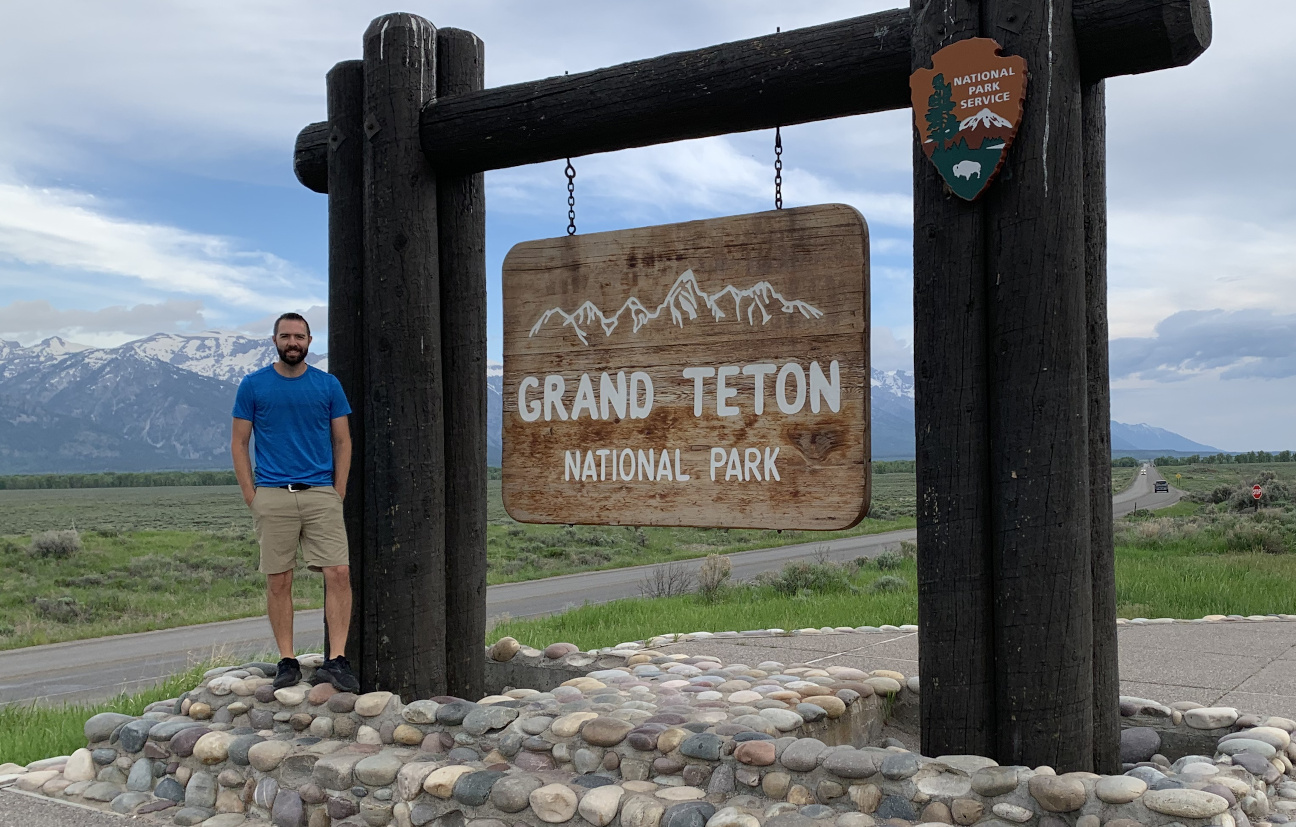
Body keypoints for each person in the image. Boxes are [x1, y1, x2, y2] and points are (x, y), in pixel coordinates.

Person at [231, 312, 359, 692]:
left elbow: (343, 440)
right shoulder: (253, 385)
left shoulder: (327, 385)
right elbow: (239, 442)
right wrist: (251, 495)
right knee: (279, 578)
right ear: (275, 340)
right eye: (285, 336)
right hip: (273, 494)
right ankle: (287, 661)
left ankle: (336, 660)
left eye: (299, 337)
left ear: (309, 342)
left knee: (339, 573)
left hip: (320, 492)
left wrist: (338, 490)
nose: (292, 342)